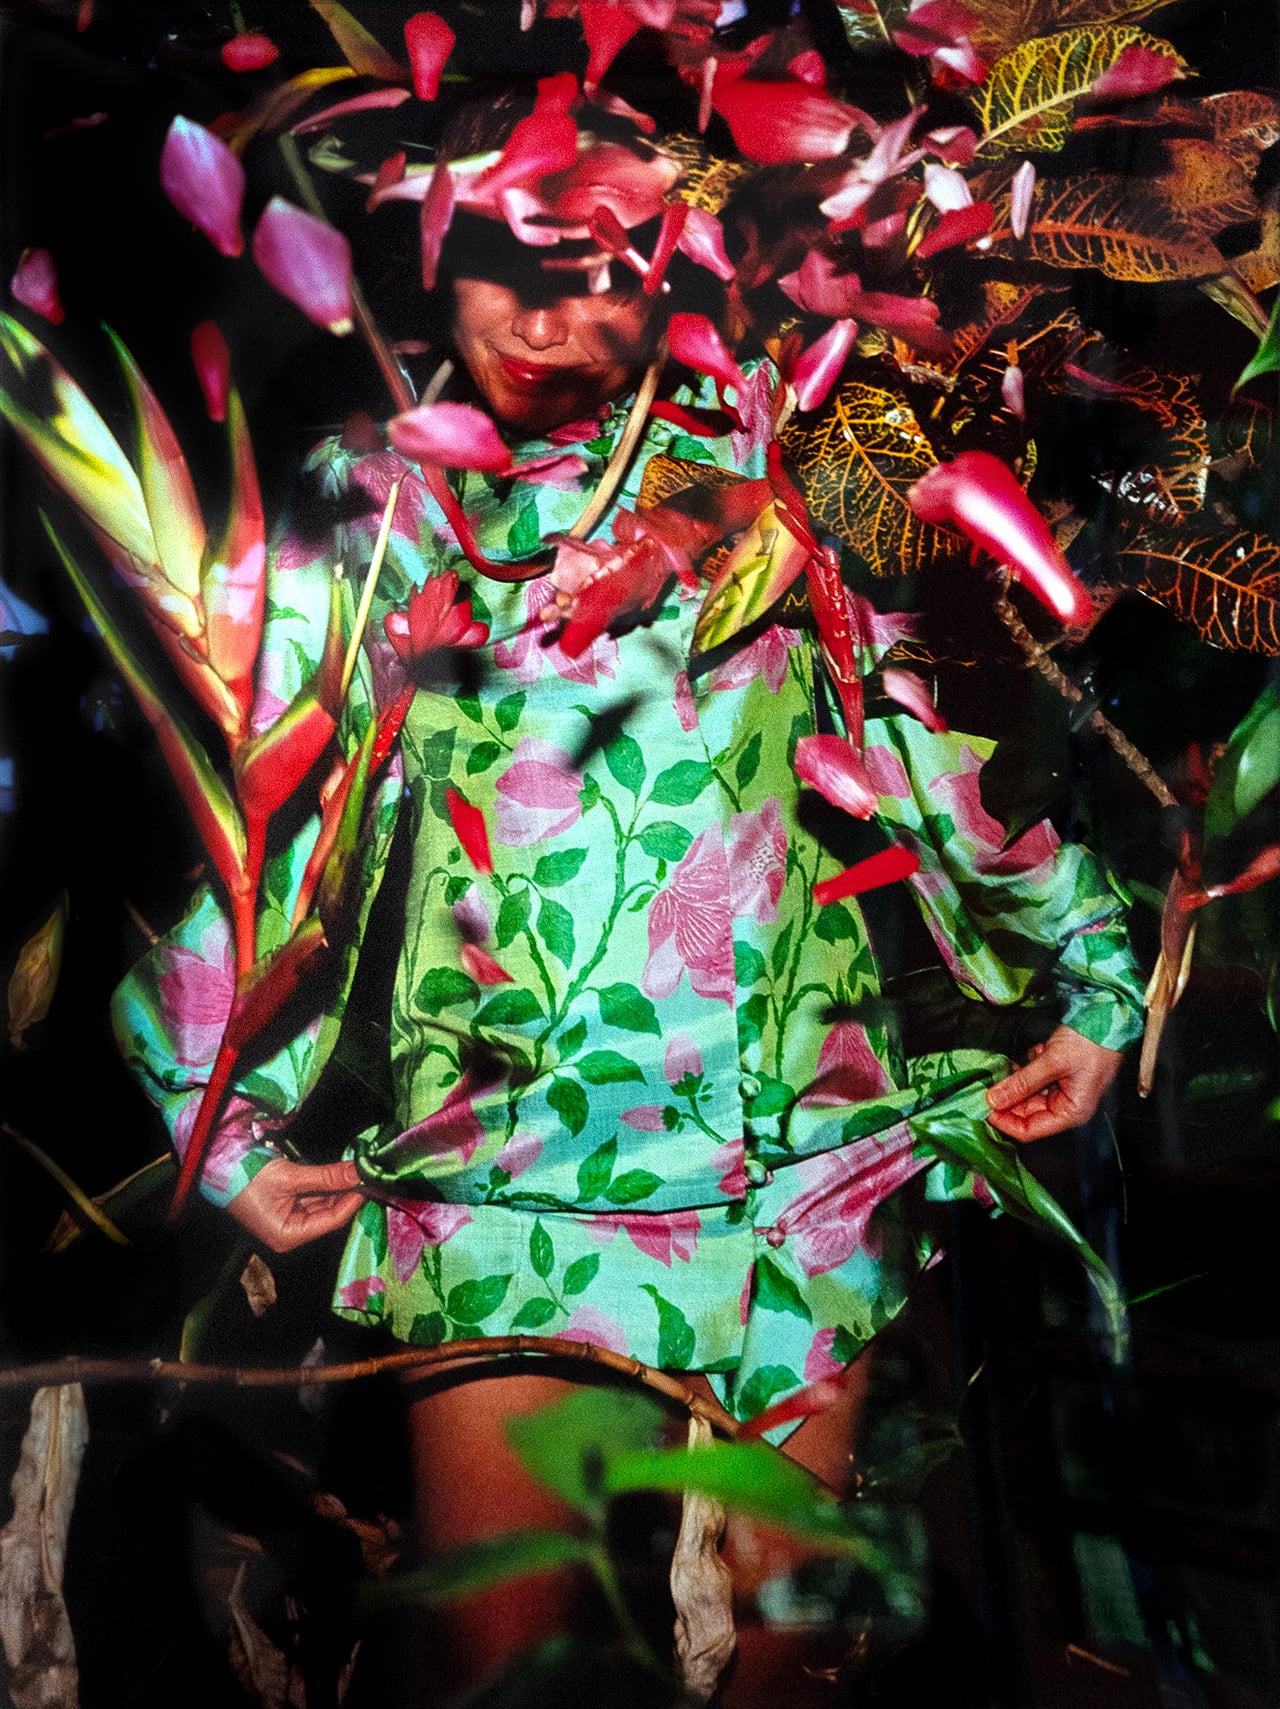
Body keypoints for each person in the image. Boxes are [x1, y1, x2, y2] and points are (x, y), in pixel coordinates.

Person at [113, 100, 1145, 1703]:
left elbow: (918, 746)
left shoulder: (774, 466)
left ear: (670, 260)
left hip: (800, 1173)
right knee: (511, 1676)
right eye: (497, 260)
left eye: (591, 263)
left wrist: (1092, 969)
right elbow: (274, 812)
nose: (543, 316)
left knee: (792, 1667)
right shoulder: (379, 506)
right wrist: (214, 1116)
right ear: (423, 262)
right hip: (509, 1188)